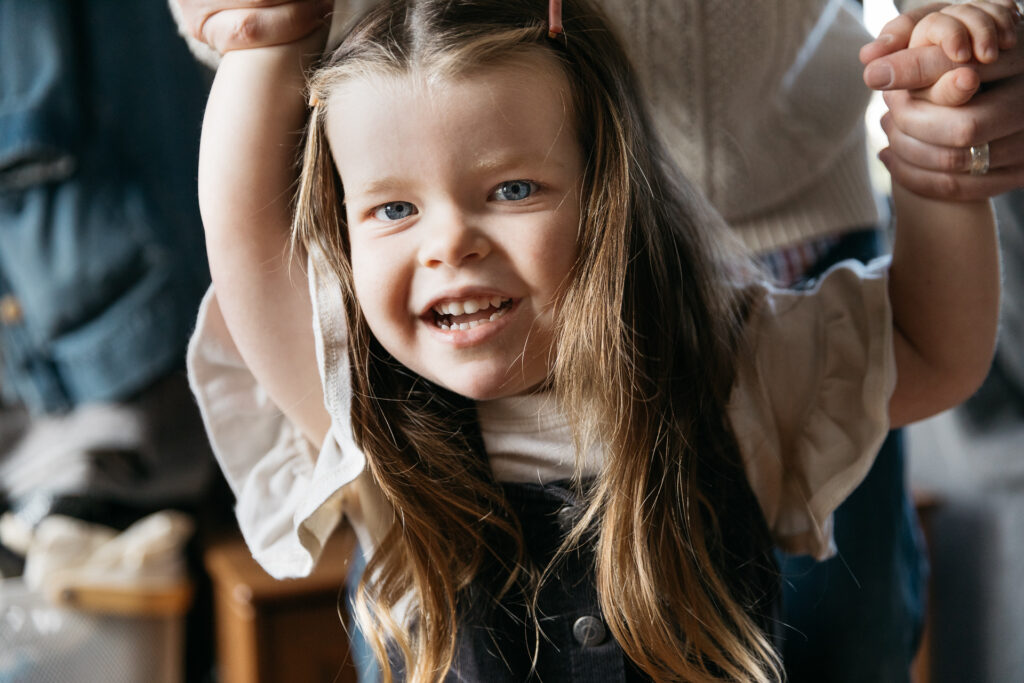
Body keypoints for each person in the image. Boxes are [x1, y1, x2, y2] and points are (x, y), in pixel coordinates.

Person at [184, 0, 1006, 680]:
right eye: (393, 210)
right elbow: (244, 228)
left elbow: (927, 348)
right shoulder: (369, 418)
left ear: (610, 199)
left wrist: (942, 162)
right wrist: (270, 32)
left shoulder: (735, 368)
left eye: (510, 189)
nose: (447, 244)